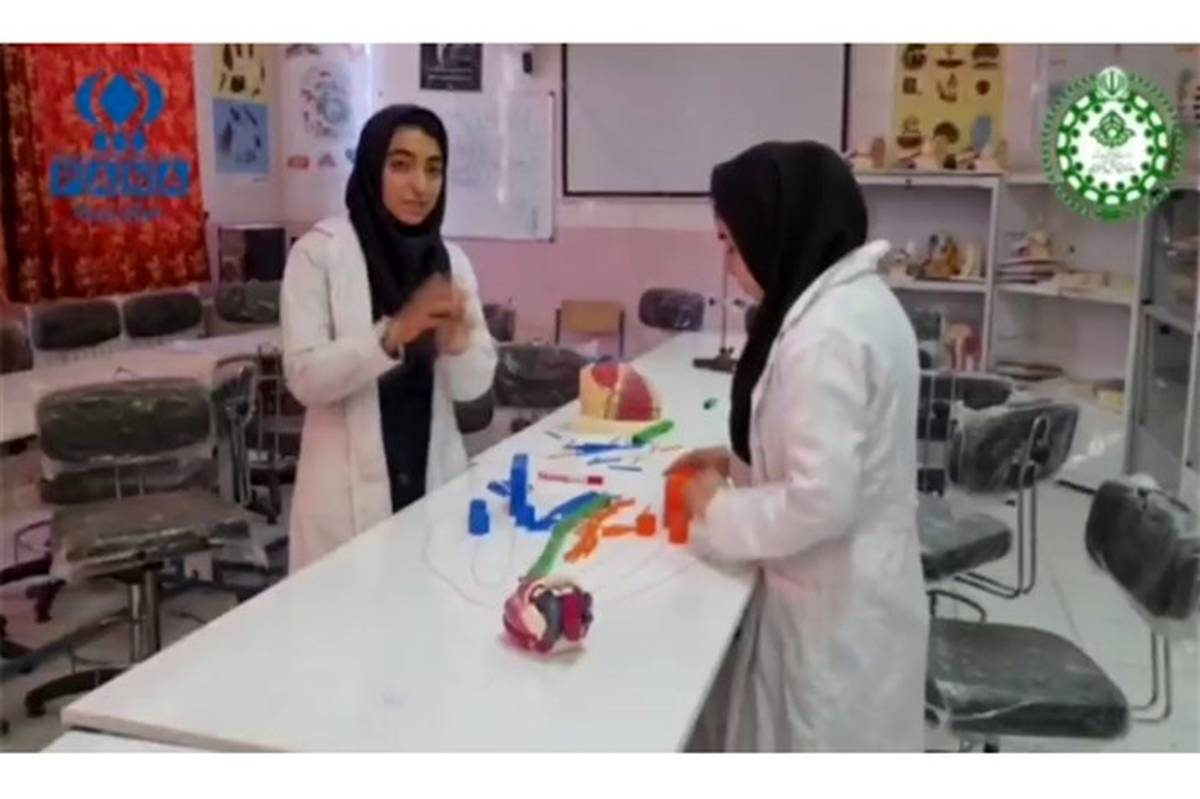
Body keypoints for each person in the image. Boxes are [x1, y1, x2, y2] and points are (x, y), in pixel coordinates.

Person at [673, 141, 928, 752]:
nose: (729, 266)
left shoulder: (825, 335)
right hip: (855, 587)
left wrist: (716, 506)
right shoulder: (852, 302)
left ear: (773, 230)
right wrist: (738, 462)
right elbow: (835, 446)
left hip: (835, 611)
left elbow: (821, 501)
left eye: (731, 244)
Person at [280, 105, 497, 573]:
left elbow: (473, 389)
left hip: (433, 483)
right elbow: (304, 379)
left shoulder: (451, 262)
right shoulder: (319, 254)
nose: (420, 185)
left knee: (431, 609)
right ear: (371, 166)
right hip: (345, 503)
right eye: (401, 165)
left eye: (434, 169)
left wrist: (458, 344)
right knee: (350, 616)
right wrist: (393, 334)